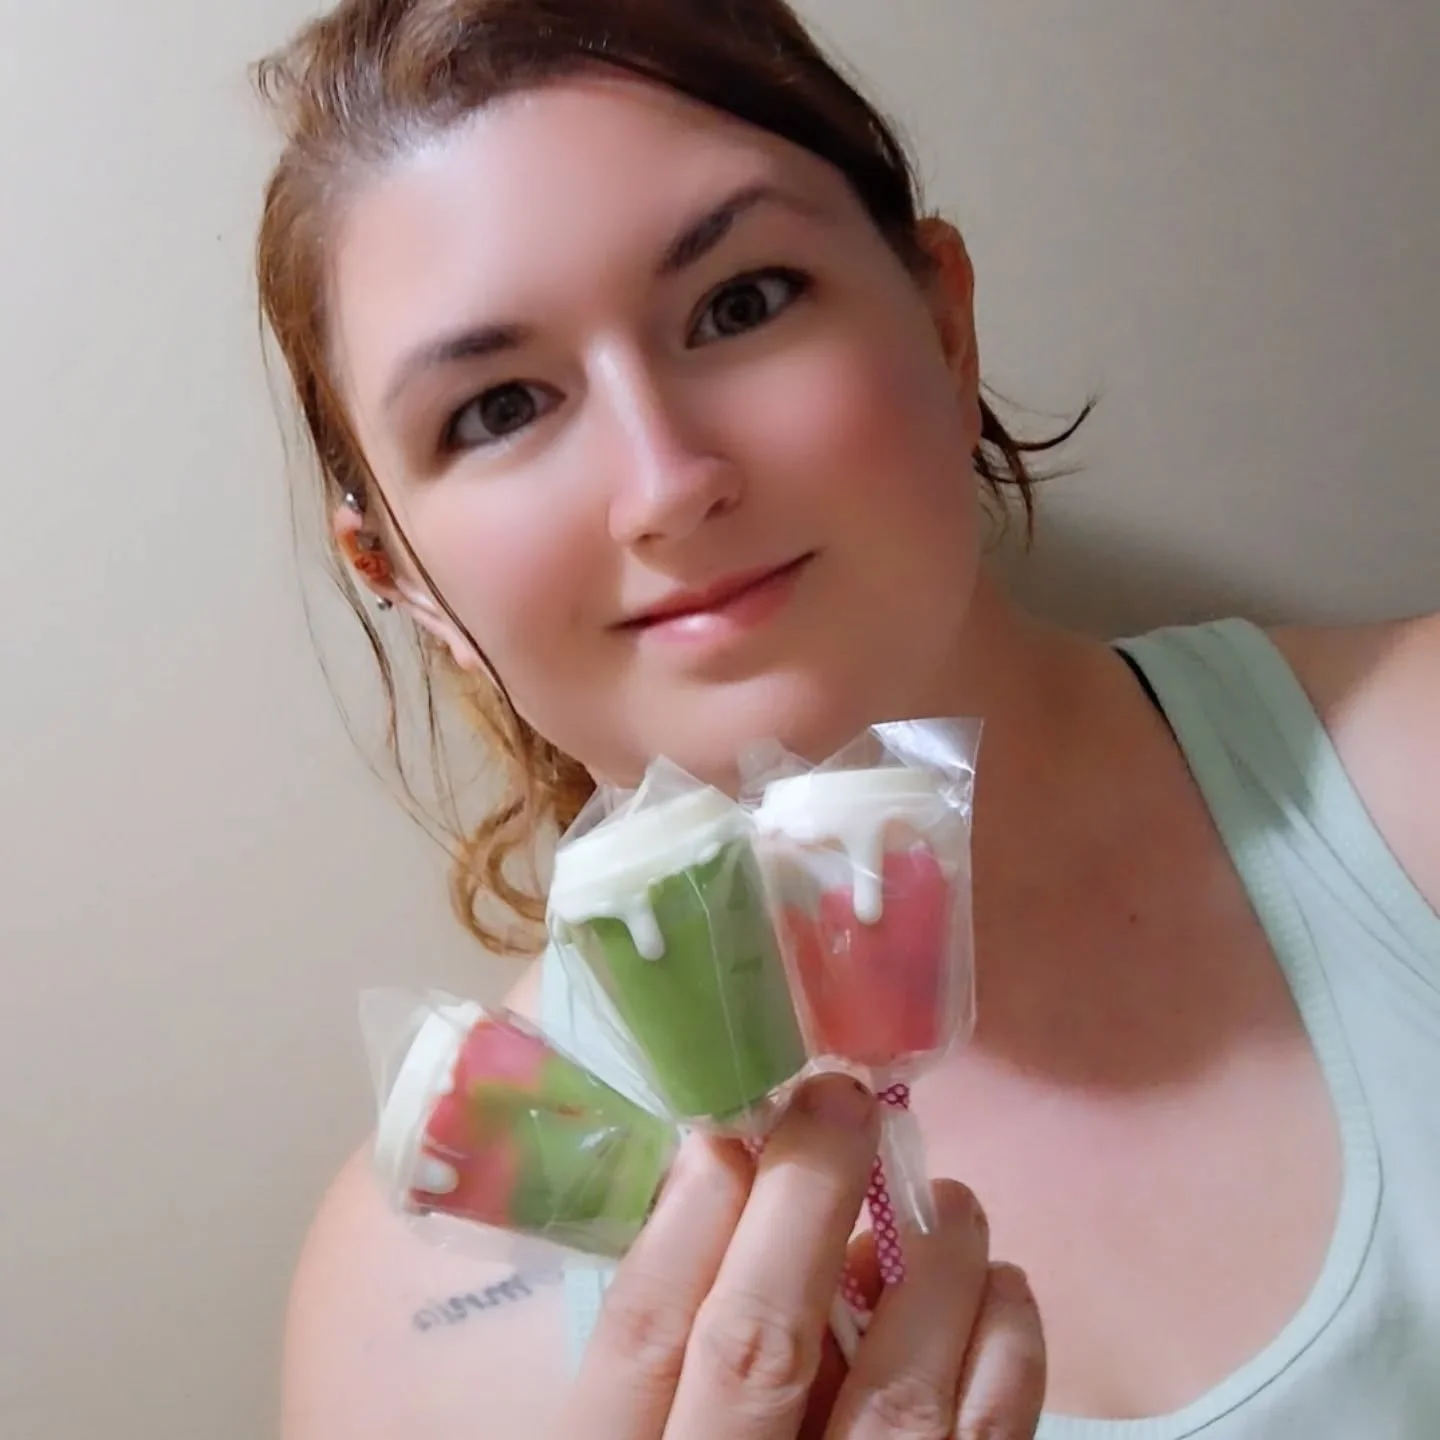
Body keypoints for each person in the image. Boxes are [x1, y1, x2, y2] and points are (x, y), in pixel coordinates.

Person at [258, 2, 1440, 1436]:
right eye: (500, 406)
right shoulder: (412, 1322)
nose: (667, 482)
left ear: (944, 325)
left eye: (741, 303)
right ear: (399, 576)